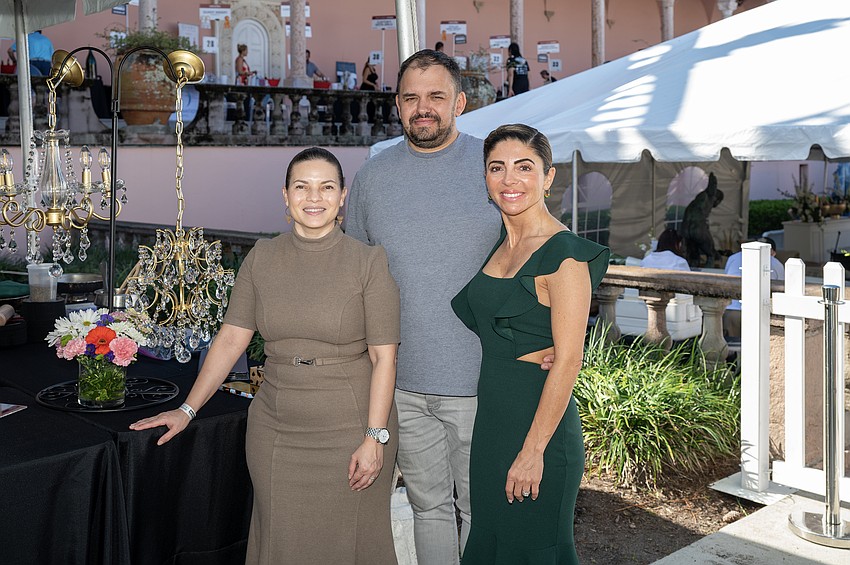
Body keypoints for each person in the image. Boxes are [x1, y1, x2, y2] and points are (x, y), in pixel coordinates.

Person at [130, 148, 401, 564]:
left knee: (351, 543)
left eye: (327, 187)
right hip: (276, 429)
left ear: (343, 196)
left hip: (351, 428)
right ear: (285, 195)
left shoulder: (368, 262)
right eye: (302, 187)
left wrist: (374, 437)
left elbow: (385, 359)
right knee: (280, 542)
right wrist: (187, 409)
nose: (315, 197)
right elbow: (230, 340)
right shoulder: (263, 258)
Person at [345, 49, 504, 564]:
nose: (424, 108)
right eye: (412, 97)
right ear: (397, 104)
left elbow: (539, 262)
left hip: (482, 379)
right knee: (427, 506)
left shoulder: (494, 169)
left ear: (459, 101)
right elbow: (354, 278)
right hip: (402, 383)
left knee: (484, 511)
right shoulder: (372, 177)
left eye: (436, 95)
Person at [450, 124, 609, 563]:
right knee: (489, 544)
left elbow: (569, 360)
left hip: (539, 434)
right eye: (496, 168)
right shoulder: (502, 244)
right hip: (492, 428)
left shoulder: (566, 256)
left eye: (524, 167)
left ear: (549, 176)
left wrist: (533, 451)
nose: (509, 179)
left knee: (531, 550)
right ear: (485, 178)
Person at [723, 236, 784, 338]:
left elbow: (726, 280)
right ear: (772, 251)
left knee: (732, 348)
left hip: (731, 310)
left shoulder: (733, 258)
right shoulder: (776, 263)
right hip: (758, 313)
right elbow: (781, 290)